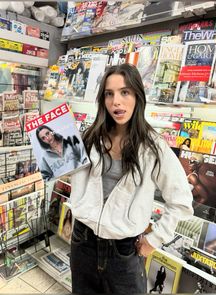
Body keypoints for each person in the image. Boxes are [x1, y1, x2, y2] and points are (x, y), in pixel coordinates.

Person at [70, 63, 193, 294]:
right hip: (82, 241)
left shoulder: (153, 146)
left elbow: (182, 200)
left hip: (124, 251)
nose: (116, 101)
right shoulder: (90, 137)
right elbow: (75, 179)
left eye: (124, 92)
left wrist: (155, 239)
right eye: (109, 94)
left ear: (137, 95)